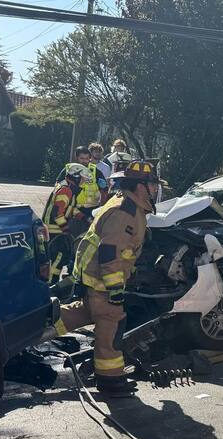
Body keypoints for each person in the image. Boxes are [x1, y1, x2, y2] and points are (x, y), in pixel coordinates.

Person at [55, 160, 159, 398]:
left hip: (94, 279)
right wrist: (115, 289)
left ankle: (37, 327)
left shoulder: (126, 204)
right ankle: (110, 379)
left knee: (81, 313)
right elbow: (110, 251)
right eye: (152, 184)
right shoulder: (125, 213)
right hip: (103, 283)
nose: (155, 189)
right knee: (111, 325)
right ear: (140, 187)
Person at [42, 163, 90, 284]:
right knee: (58, 257)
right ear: (76, 176)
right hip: (54, 231)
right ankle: (50, 284)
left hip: (56, 230)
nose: (84, 181)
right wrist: (66, 231)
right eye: (83, 178)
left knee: (60, 257)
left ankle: (52, 282)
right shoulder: (66, 190)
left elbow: (69, 209)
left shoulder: (68, 188)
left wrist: (85, 218)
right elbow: (57, 214)